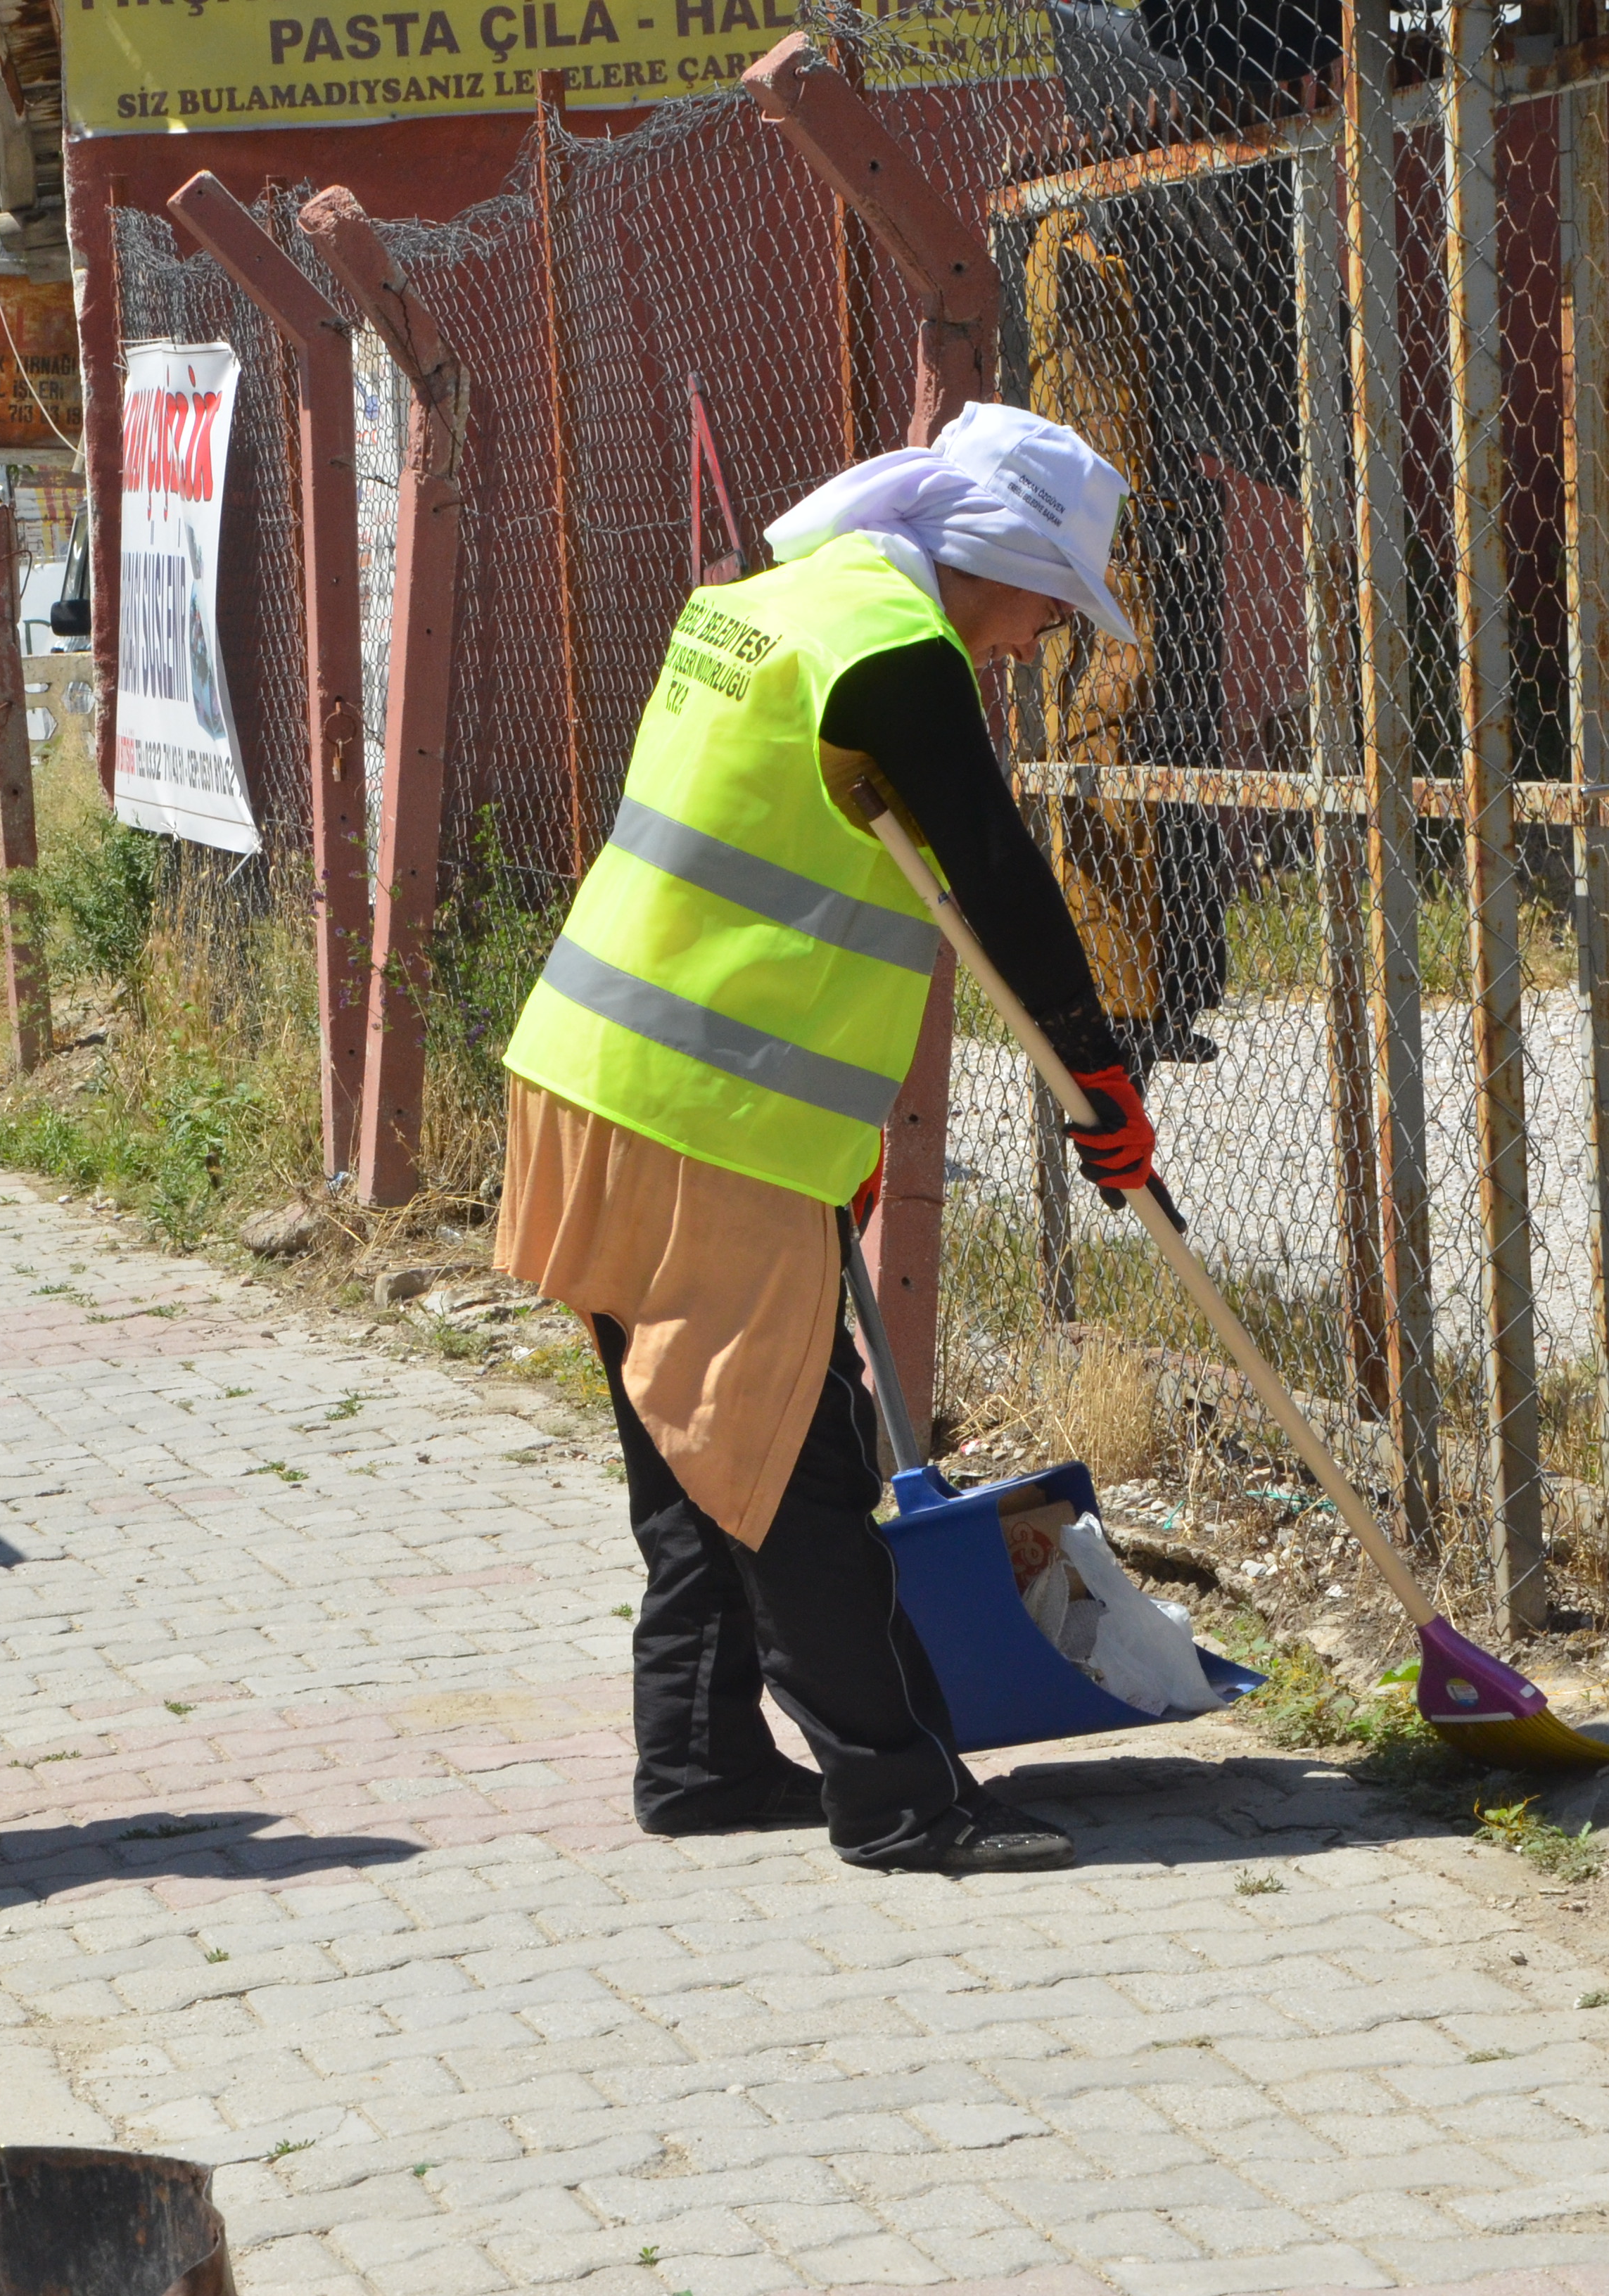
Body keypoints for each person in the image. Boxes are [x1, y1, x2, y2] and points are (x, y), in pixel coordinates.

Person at [495, 402, 1163, 1877]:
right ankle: (900, 1799)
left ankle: (699, 1757)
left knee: (693, 1452)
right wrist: (1096, 1079)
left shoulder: (776, 600)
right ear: (987, 556)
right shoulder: (893, 648)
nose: (1031, 643)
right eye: (1043, 607)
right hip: (696, 1106)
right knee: (790, 1461)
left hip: (596, 1068)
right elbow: (989, 867)